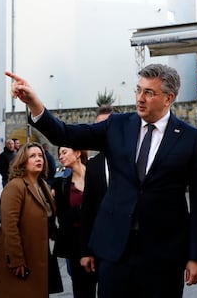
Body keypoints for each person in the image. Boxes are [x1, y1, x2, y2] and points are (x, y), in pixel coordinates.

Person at [6, 63, 197, 298]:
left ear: (168, 98)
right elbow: (65, 133)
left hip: (163, 255)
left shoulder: (189, 138)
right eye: (138, 90)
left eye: (149, 92)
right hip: (115, 252)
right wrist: (34, 103)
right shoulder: (117, 125)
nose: (140, 98)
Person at [0, 142, 58, 298]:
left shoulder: (43, 186)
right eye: (32, 156)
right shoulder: (15, 186)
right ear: (23, 161)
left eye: (40, 155)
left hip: (39, 255)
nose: (38, 159)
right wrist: (16, 259)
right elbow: (9, 226)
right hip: (22, 257)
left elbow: (48, 218)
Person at [51, 146, 96, 298]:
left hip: (99, 240)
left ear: (77, 153)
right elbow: (63, 218)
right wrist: (83, 209)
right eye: (59, 154)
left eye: (64, 152)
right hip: (75, 244)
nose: (61, 157)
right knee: (82, 290)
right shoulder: (61, 184)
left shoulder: (97, 176)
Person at [80, 105, 113, 281]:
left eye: (107, 125)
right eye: (98, 126)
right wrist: (86, 251)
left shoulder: (135, 158)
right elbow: (88, 209)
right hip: (103, 247)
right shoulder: (93, 165)